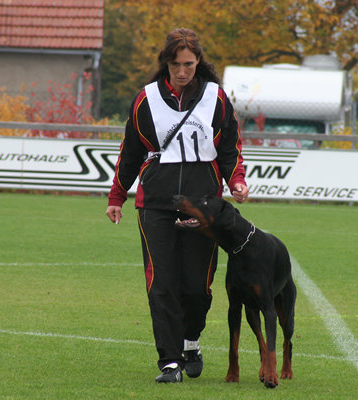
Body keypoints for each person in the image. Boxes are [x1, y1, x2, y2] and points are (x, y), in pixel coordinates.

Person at [106, 27, 249, 383]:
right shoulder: (146, 99)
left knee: (197, 287)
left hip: (203, 205)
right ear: (166, 64)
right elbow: (131, 151)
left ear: (198, 62)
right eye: (175, 65)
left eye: (188, 63)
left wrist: (236, 180)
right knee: (161, 283)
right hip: (155, 203)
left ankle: (191, 341)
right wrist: (117, 197)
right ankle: (169, 362)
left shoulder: (216, 97)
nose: (182, 71)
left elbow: (229, 146)